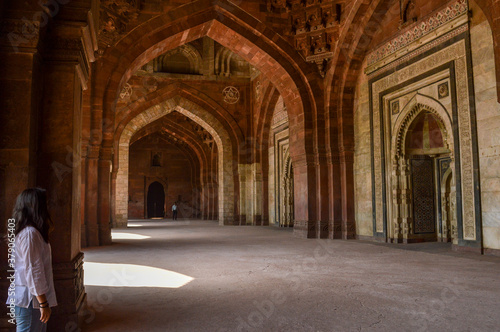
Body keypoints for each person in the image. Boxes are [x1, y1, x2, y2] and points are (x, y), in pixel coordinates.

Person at [7, 188, 57, 332]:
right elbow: (33, 271)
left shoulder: (31, 232)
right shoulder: (30, 234)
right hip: (30, 300)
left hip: (30, 299)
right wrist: (43, 303)